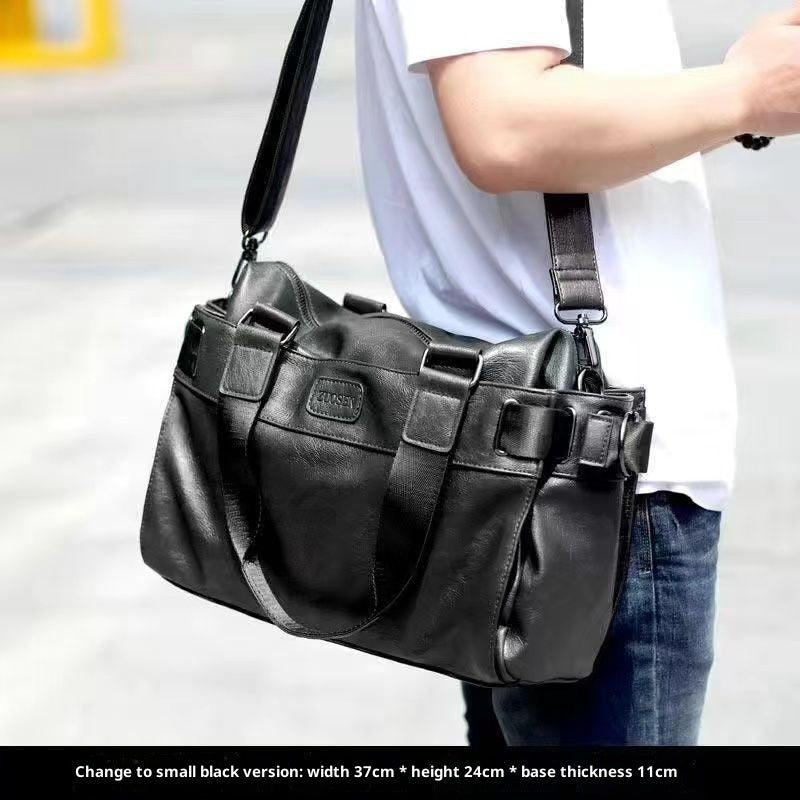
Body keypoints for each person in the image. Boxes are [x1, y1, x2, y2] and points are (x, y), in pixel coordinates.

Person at [353, 0, 800, 746]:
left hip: (521, 443)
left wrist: (746, 91)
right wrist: (746, 91)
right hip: (589, 472)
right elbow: (506, 127)